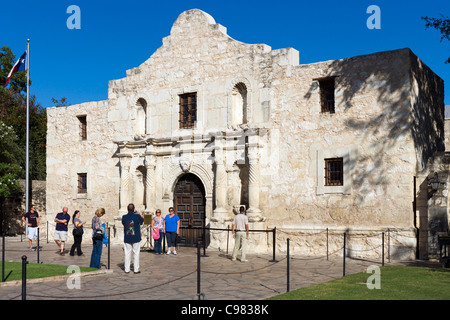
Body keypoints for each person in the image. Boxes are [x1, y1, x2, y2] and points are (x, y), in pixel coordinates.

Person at [122, 203, 144, 273]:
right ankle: (136, 269)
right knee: (136, 254)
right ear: (133, 209)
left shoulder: (124, 217)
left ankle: (127, 269)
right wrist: (138, 213)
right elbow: (142, 221)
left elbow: (123, 223)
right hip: (136, 237)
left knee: (127, 254)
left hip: (127, 237)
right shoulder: (137, 216)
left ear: (127, 209)